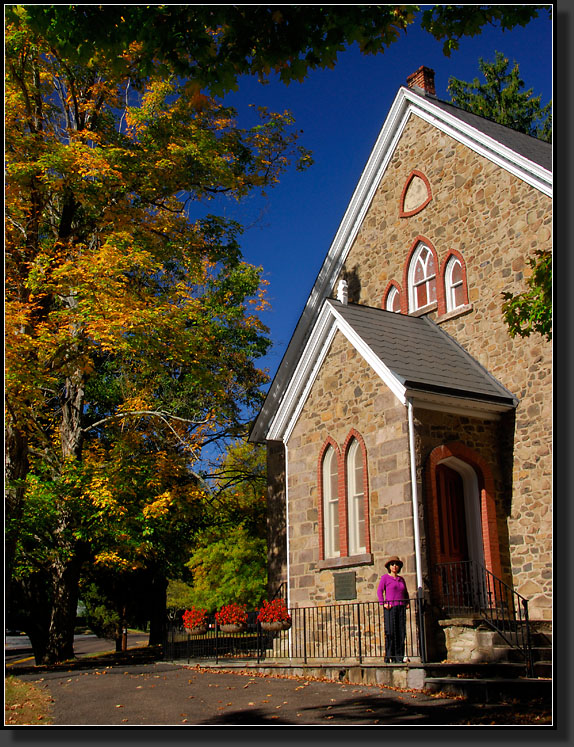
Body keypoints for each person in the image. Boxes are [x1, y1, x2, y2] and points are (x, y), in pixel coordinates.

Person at [377, 556, 409, 663]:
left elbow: (405, 592)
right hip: (391, 608)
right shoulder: (385, 578)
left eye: (396, 564)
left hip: (400, 607)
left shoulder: (401, 580)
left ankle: (399, 657)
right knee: (390, 632)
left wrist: (407, 602)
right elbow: (379, 591)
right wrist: (383, 603)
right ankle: (389, 655)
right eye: (392, 564)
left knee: (401, 632)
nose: (394, 566)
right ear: (389, 567)